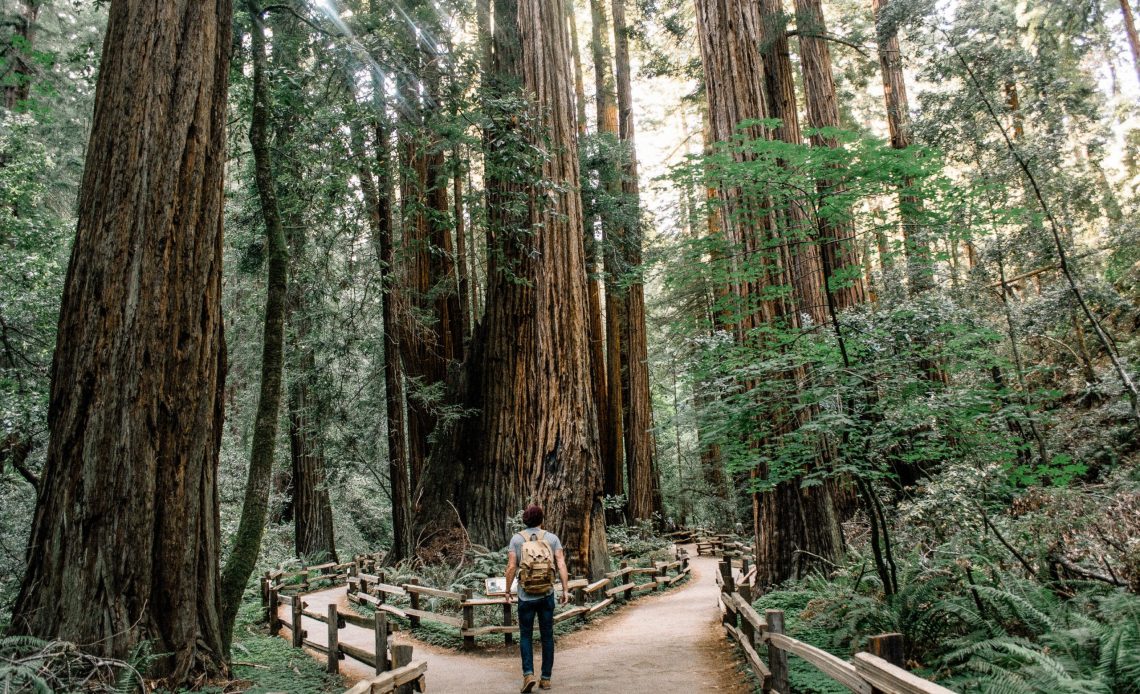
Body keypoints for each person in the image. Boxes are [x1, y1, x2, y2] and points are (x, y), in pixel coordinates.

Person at [505, 504, 570, 692]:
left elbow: (511, 567)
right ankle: (546, 678)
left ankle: (528, 675)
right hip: (547, 594)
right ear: (542, 519)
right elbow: (561, 564)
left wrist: (508, 591)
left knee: (525, 635)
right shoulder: (552, 538)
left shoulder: (517, 539)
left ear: (524, 519)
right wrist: (565, 590)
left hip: (526, 596)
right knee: (547, 636)